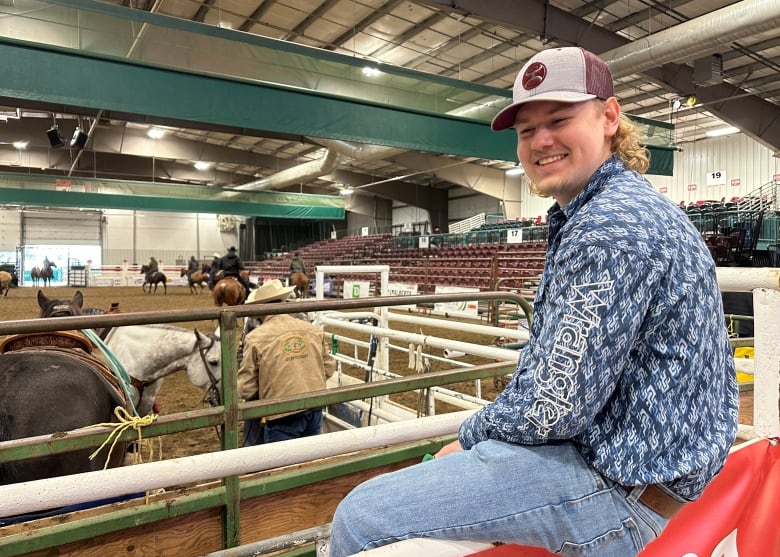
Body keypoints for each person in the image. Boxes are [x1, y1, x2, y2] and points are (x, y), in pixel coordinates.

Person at [329, 47, 739, 557]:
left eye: (560, 119)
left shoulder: (610, 229)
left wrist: (471, 435)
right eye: (526, 131)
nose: (541, 141)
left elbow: (554, 405)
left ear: (609, 118)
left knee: (362, 516)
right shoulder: (618, 209)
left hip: (616, 490)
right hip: (636, 469)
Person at [237, 279, 336, 446]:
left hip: (281, 414)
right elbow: (329, 366)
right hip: (314, 406)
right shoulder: (312, 330)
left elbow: (246, 389)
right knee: (309, 457)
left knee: (281, 466)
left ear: (260, 309)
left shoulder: (255, 338)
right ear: (282, 302)